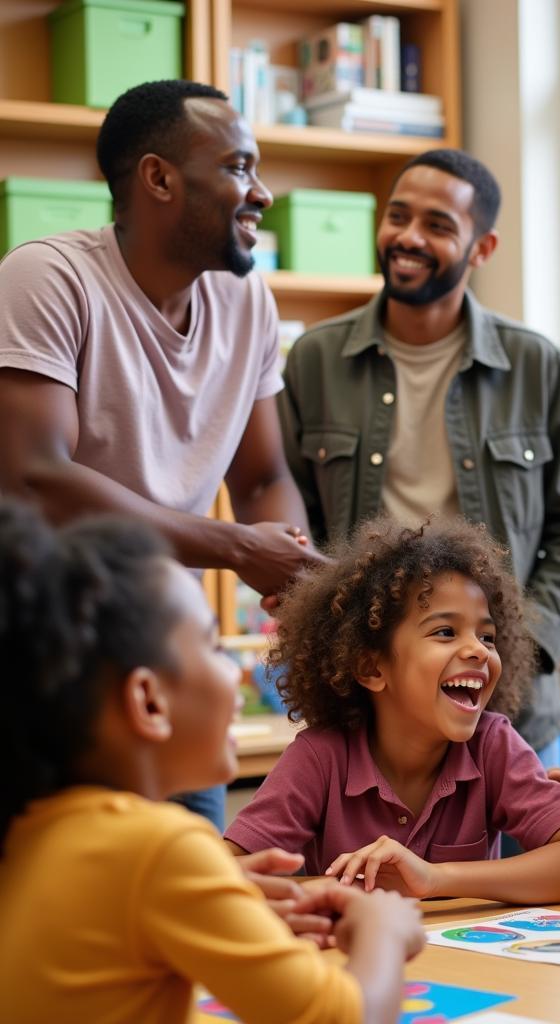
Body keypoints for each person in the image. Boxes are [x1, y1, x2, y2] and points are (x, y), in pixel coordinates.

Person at [0, 80, 326, 828]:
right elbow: (35, 478)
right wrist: (241, 547)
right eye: (240, 167)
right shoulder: (48, 279)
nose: (263, 193)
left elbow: (263, 475)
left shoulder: (249, 304)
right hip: (46, 664)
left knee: (185, 892)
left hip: (170, 657)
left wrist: (300, 589)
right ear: (158, 178)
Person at [0, 502, 425, 1024]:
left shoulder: (30, 832)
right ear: (149, 702)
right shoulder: (159, 847)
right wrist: (384, 931)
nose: (236, 676)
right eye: (214, 645)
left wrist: (211, 898)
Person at [277, 148, 560, 773]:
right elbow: (296, 518)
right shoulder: (315, 360)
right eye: (397, 216)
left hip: (504, 710)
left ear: (482, 248)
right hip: (363, 703)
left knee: (512, 869)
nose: (407, 237)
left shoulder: (532, 364)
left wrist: (524, 645)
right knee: (369, 872)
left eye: (437, 225)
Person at [224, 516, 560, 906]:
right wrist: (331, 892)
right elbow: (223, 875)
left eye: (487, 636)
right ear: (371, 668)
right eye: (445, 632)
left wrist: (434, 877)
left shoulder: (493, 744)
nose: (479, 650)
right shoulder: (320, 758)